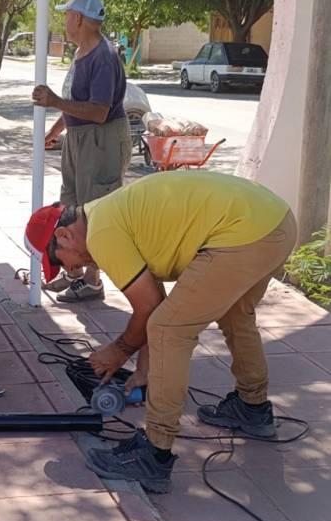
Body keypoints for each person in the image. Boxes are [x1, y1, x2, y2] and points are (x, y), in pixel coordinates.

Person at [24, 171, 297, 493]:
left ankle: (154, 454)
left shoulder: (102, 233)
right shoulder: (107, 215)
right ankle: (252, 408)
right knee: (236, 317)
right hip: (274, 221)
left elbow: (152, 310)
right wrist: (144, 369)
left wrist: (120, 350)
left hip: (242, 233)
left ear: (66, 235)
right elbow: (153, 301)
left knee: (170, 331)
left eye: (60, 261)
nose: (69, 270)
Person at [33, 0, 131, 303]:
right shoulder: (82, 52)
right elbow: (78, 103)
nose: (64, 21)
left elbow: (99, 111)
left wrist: (54, 102)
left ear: (78, 19)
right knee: (72, 206)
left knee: (94, 209)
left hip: (100, 141)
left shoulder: (102, 56)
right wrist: (57, 128)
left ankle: (92, 280)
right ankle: (73, 270)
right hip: (79, 139)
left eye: (67, 15)